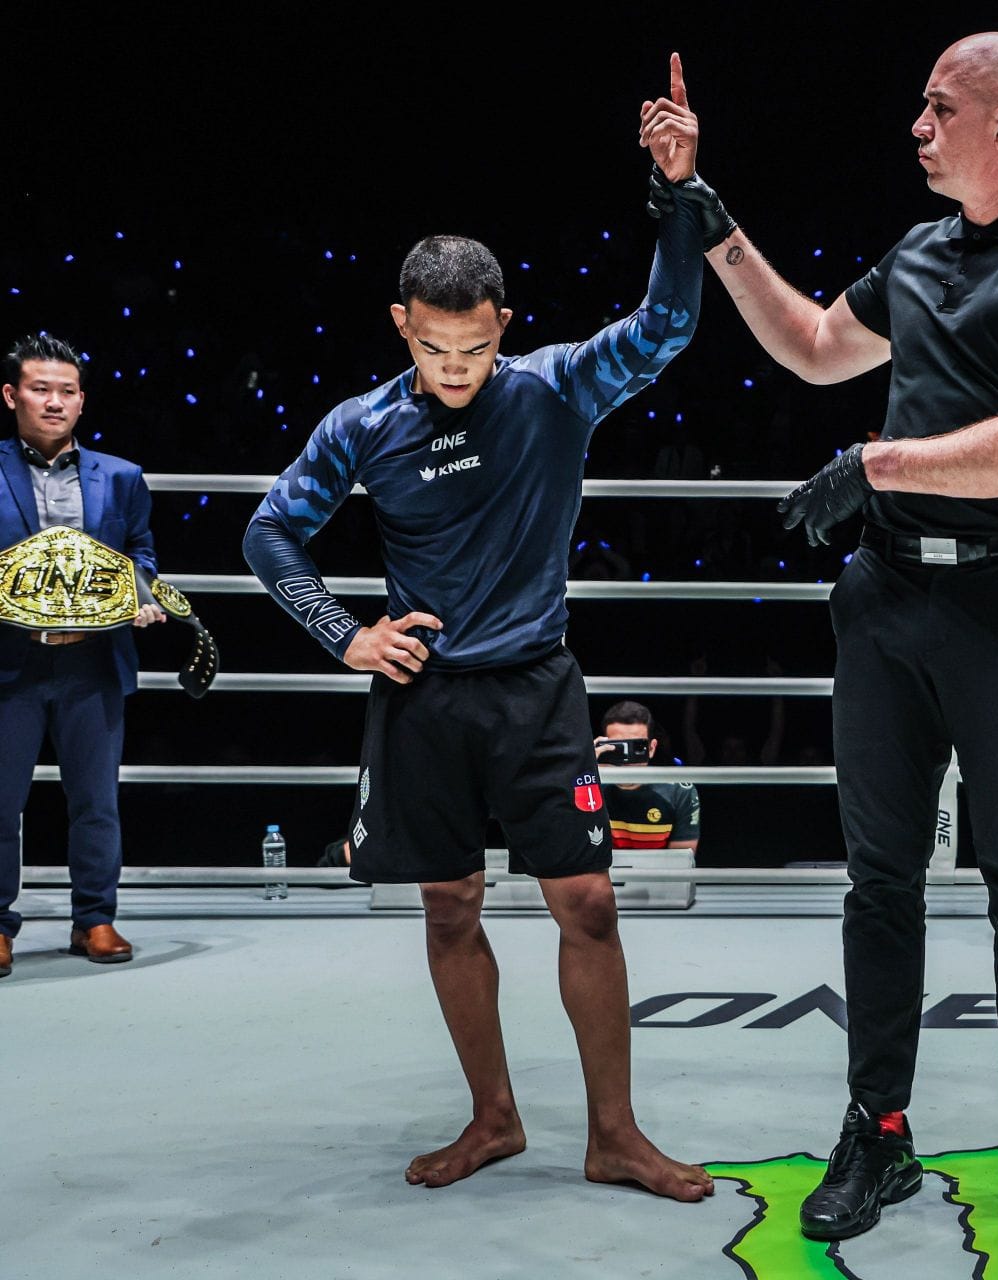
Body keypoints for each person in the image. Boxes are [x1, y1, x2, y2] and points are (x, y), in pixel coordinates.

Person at [645, 33, 998, 1256]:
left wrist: (876, 462)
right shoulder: (918, 251)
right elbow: (817, 345)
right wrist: (704, 211)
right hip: (884, 604)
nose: (916, 127)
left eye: (939, 107)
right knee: (880, 881)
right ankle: (879, 1123)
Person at [241, 57, 720, 1200]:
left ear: (504, 322)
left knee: (590, 901)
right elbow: (270, 534)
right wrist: (344, 634)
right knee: (449, 904)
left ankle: (614, 1134)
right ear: (403, 324)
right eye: (433, 349)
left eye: (476, 347)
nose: (456, 371)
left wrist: (676, 194)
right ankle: (493, 1118)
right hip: (424, 695)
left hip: (539, 687)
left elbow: (666, 322)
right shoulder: (361, 422)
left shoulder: (555, 386)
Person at [1, 333, 169, 975]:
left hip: (92, 661)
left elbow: (142, 553)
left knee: (95, 800)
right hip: (8, 662)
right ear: (12, 395)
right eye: (40, 389)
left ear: (81, 401)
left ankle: (95, 919)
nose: (53, 402)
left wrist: (140, 593)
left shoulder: (121, 476)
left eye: (66, 391)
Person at [594, 701, 700, 852]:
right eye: (619, 747)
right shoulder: (587, 786)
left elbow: (681, 866)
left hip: (657, 875)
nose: (627, 759)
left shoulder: (679, 791)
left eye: (636, 747)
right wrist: (585, 769)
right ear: (603, 746)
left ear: (651, 748)